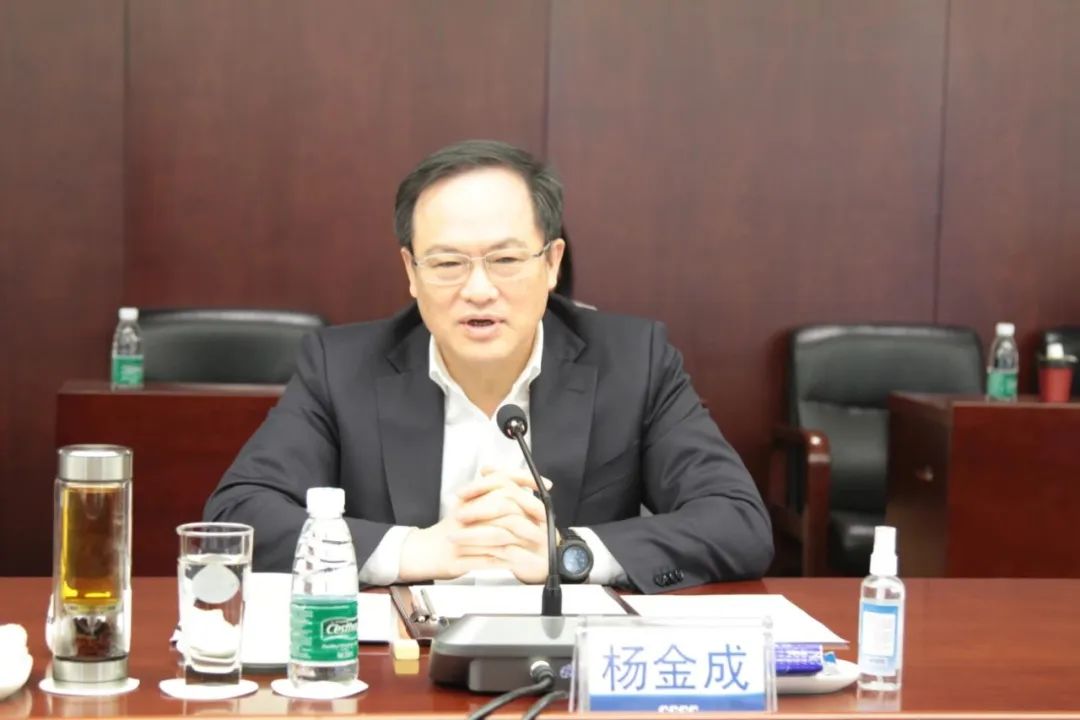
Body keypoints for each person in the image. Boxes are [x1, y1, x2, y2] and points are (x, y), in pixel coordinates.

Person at [204, 139, 772, 593]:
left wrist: (569, 553)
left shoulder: (634, 361)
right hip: (401, 662)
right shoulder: (340, 367)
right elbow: (240, 515)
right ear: (411, 271)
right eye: (447, 263)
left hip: (569, 658)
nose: (478, 290)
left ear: (551, 264)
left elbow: (737, 521)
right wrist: (415, 550)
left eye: (504, 259)